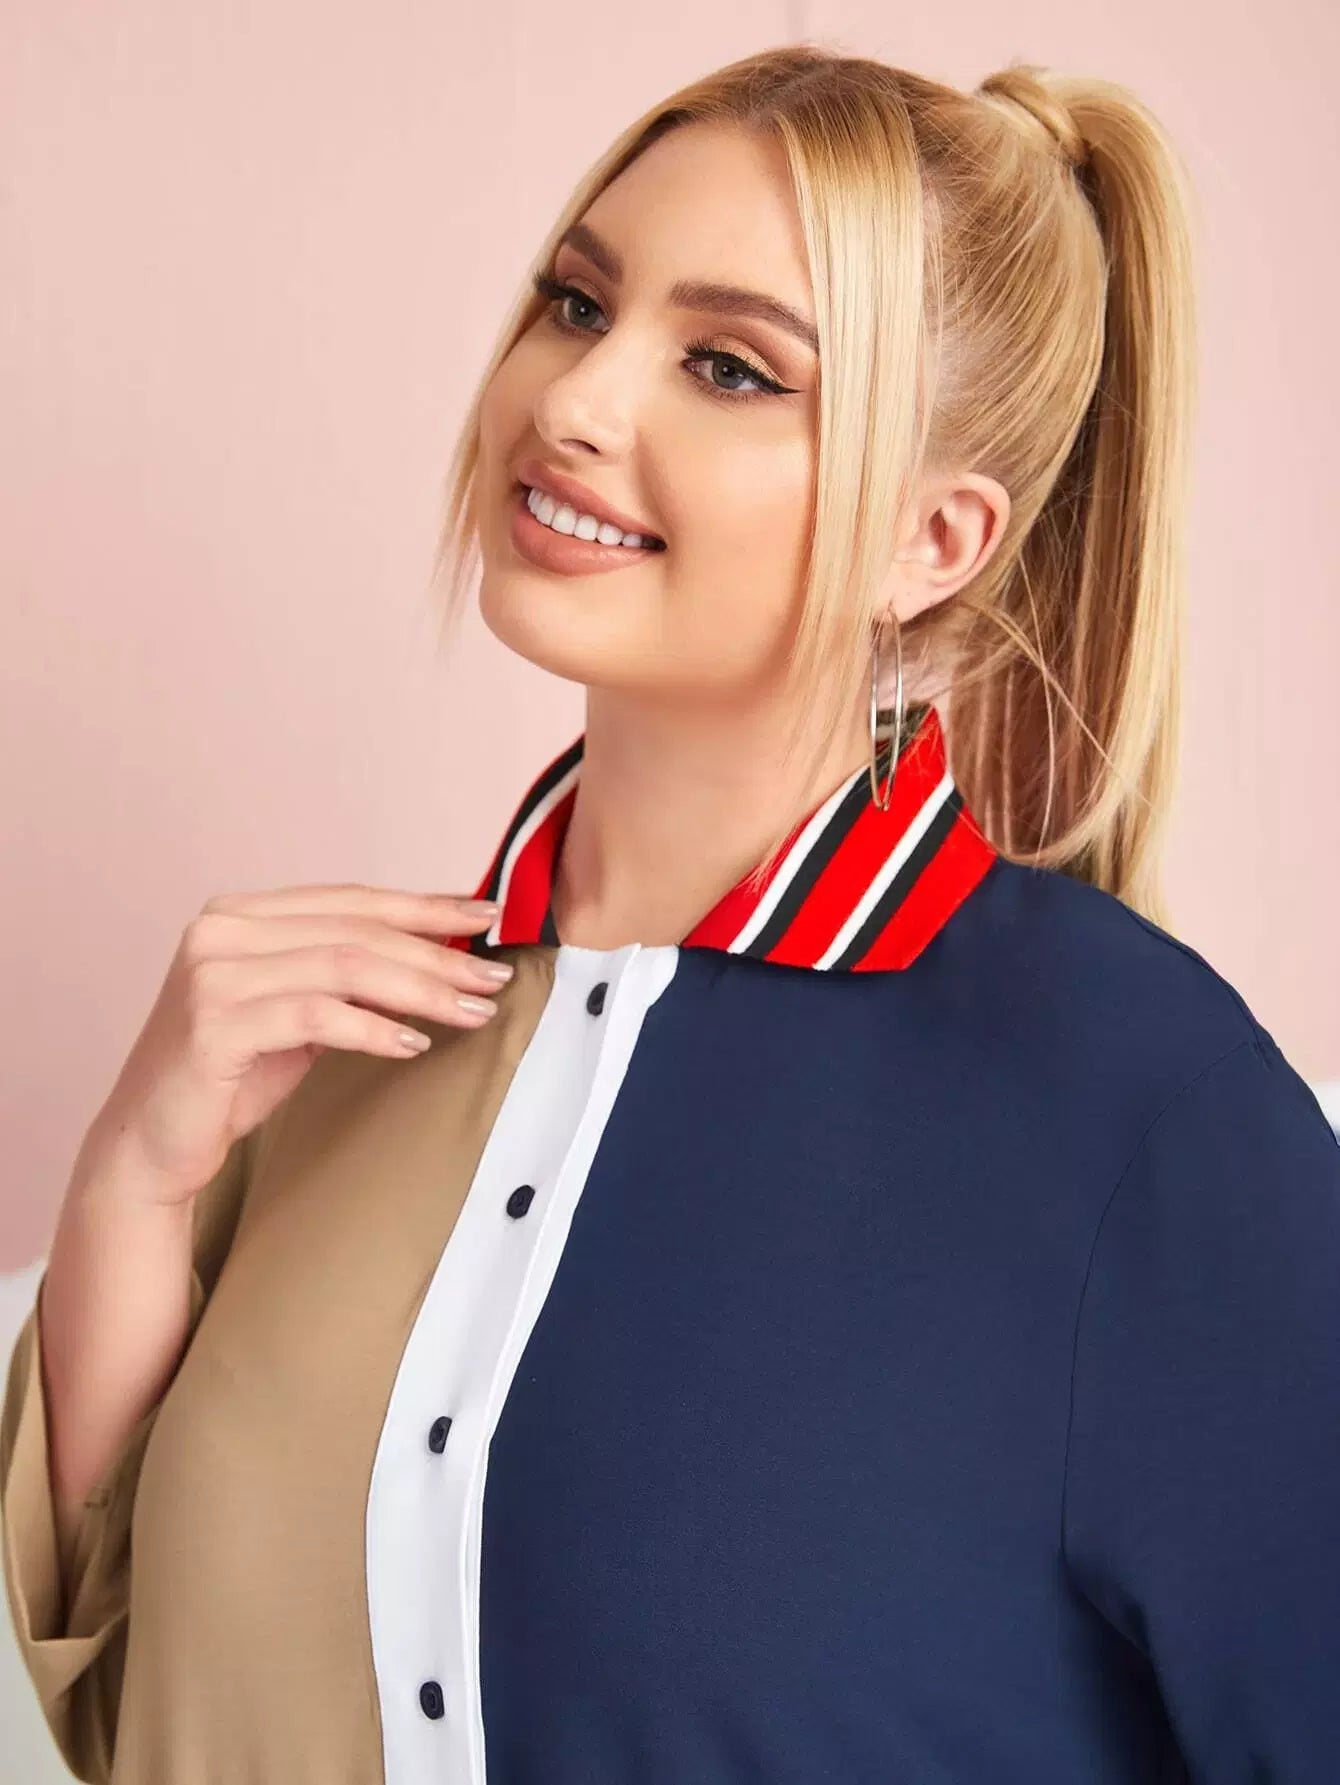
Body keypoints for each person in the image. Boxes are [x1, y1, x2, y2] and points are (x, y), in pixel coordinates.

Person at [3, 41, 1338, 1785]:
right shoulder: (332, 1056)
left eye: (728, 367)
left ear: (931, 541)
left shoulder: (1145, 1108)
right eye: (576, 302)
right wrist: (131, 1181)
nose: (573, 397)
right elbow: (152, 1719)